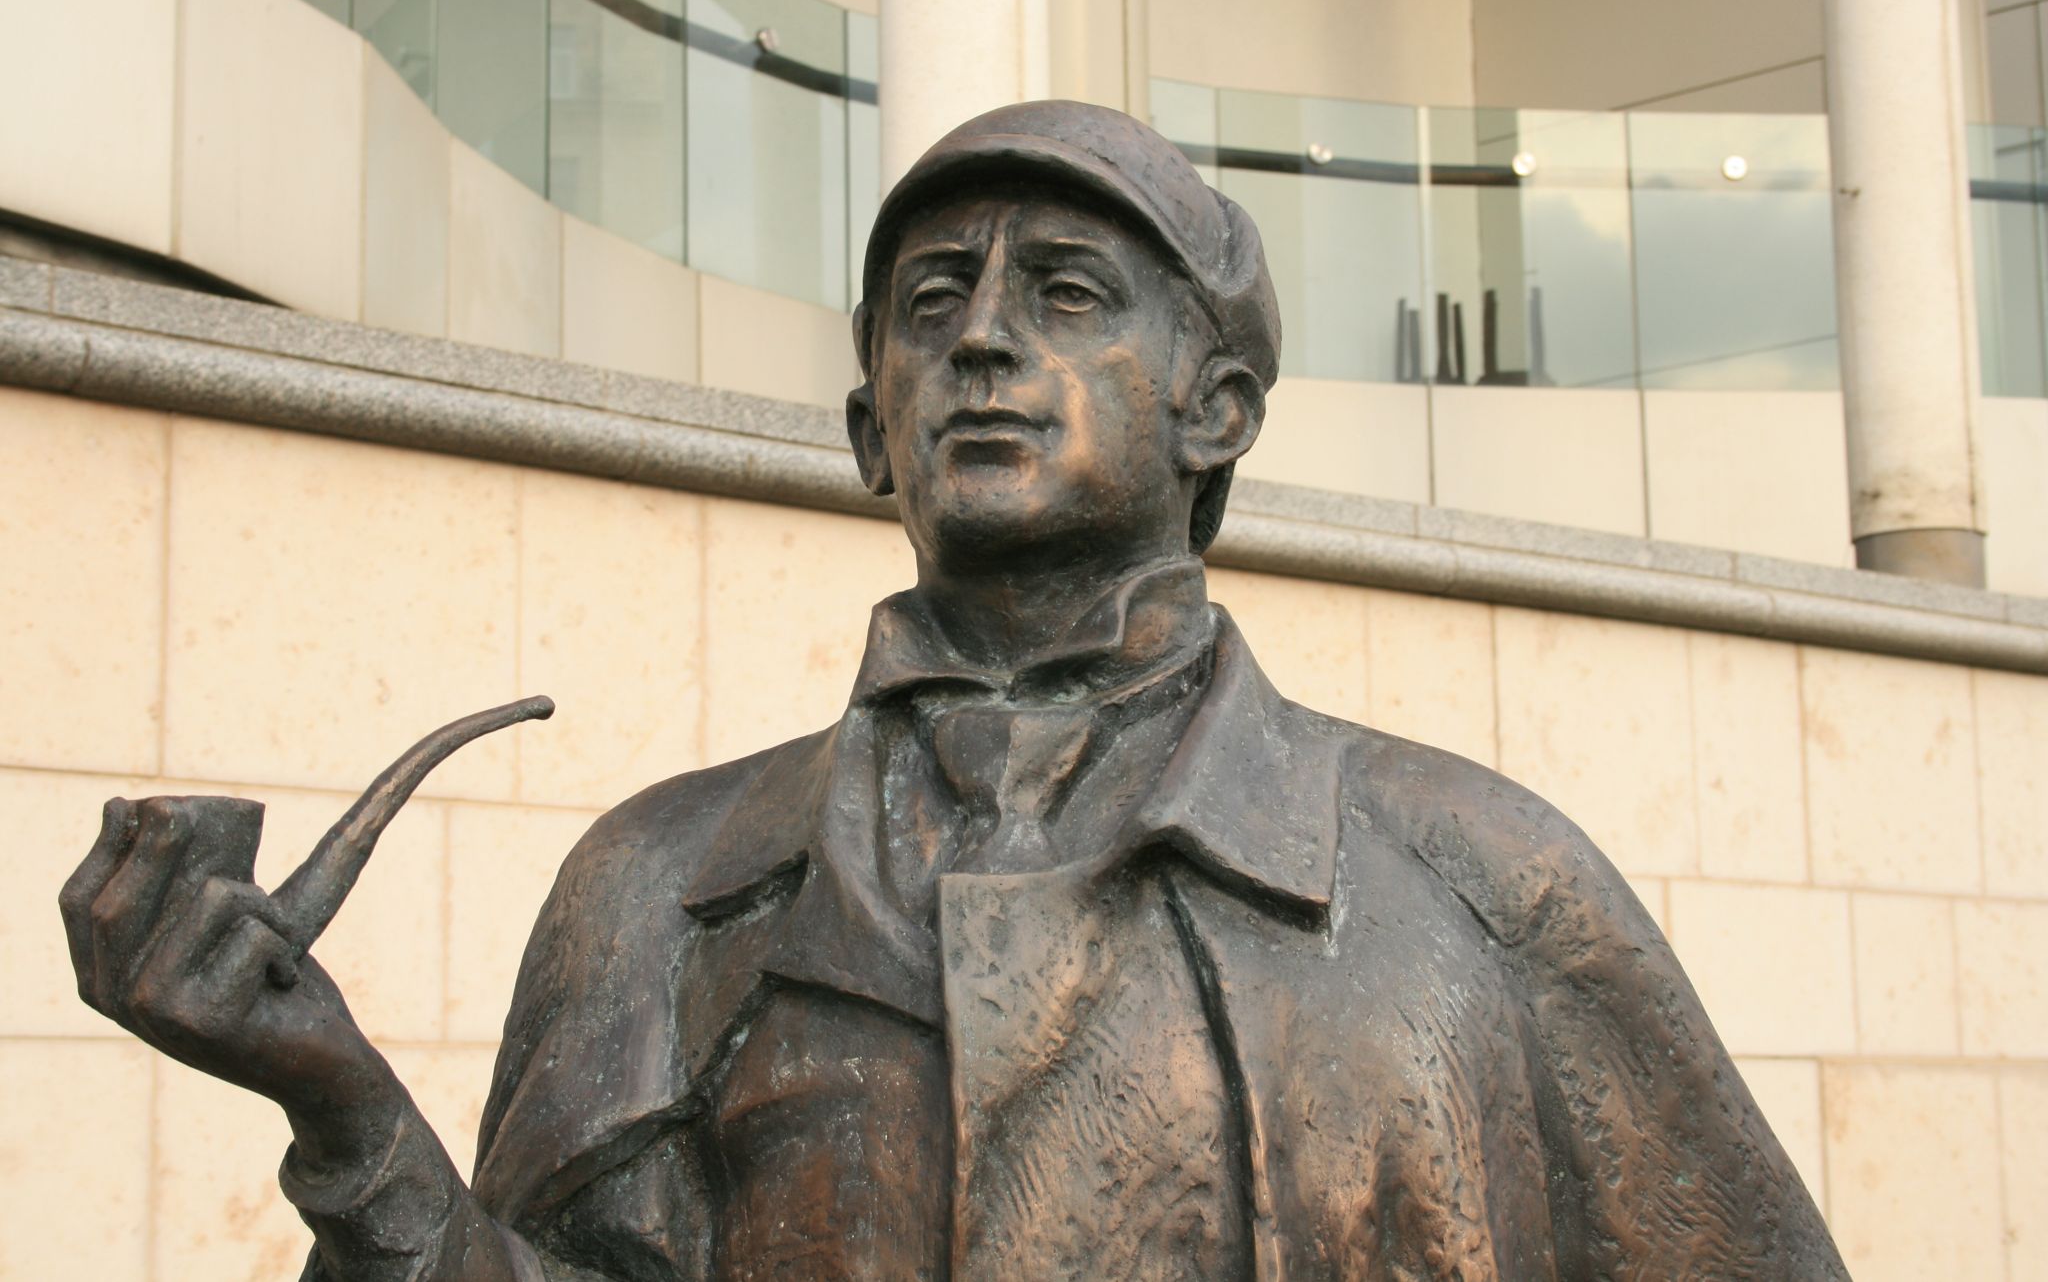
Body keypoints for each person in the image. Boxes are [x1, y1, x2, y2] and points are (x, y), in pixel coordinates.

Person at [62, 101, 1848, 1281]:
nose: (981, 336)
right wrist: (348, 1116)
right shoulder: (661, 886)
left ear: (1216, 406)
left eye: (1066, 292)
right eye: (932, 305)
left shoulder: (1476, 876)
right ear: (869, 434)